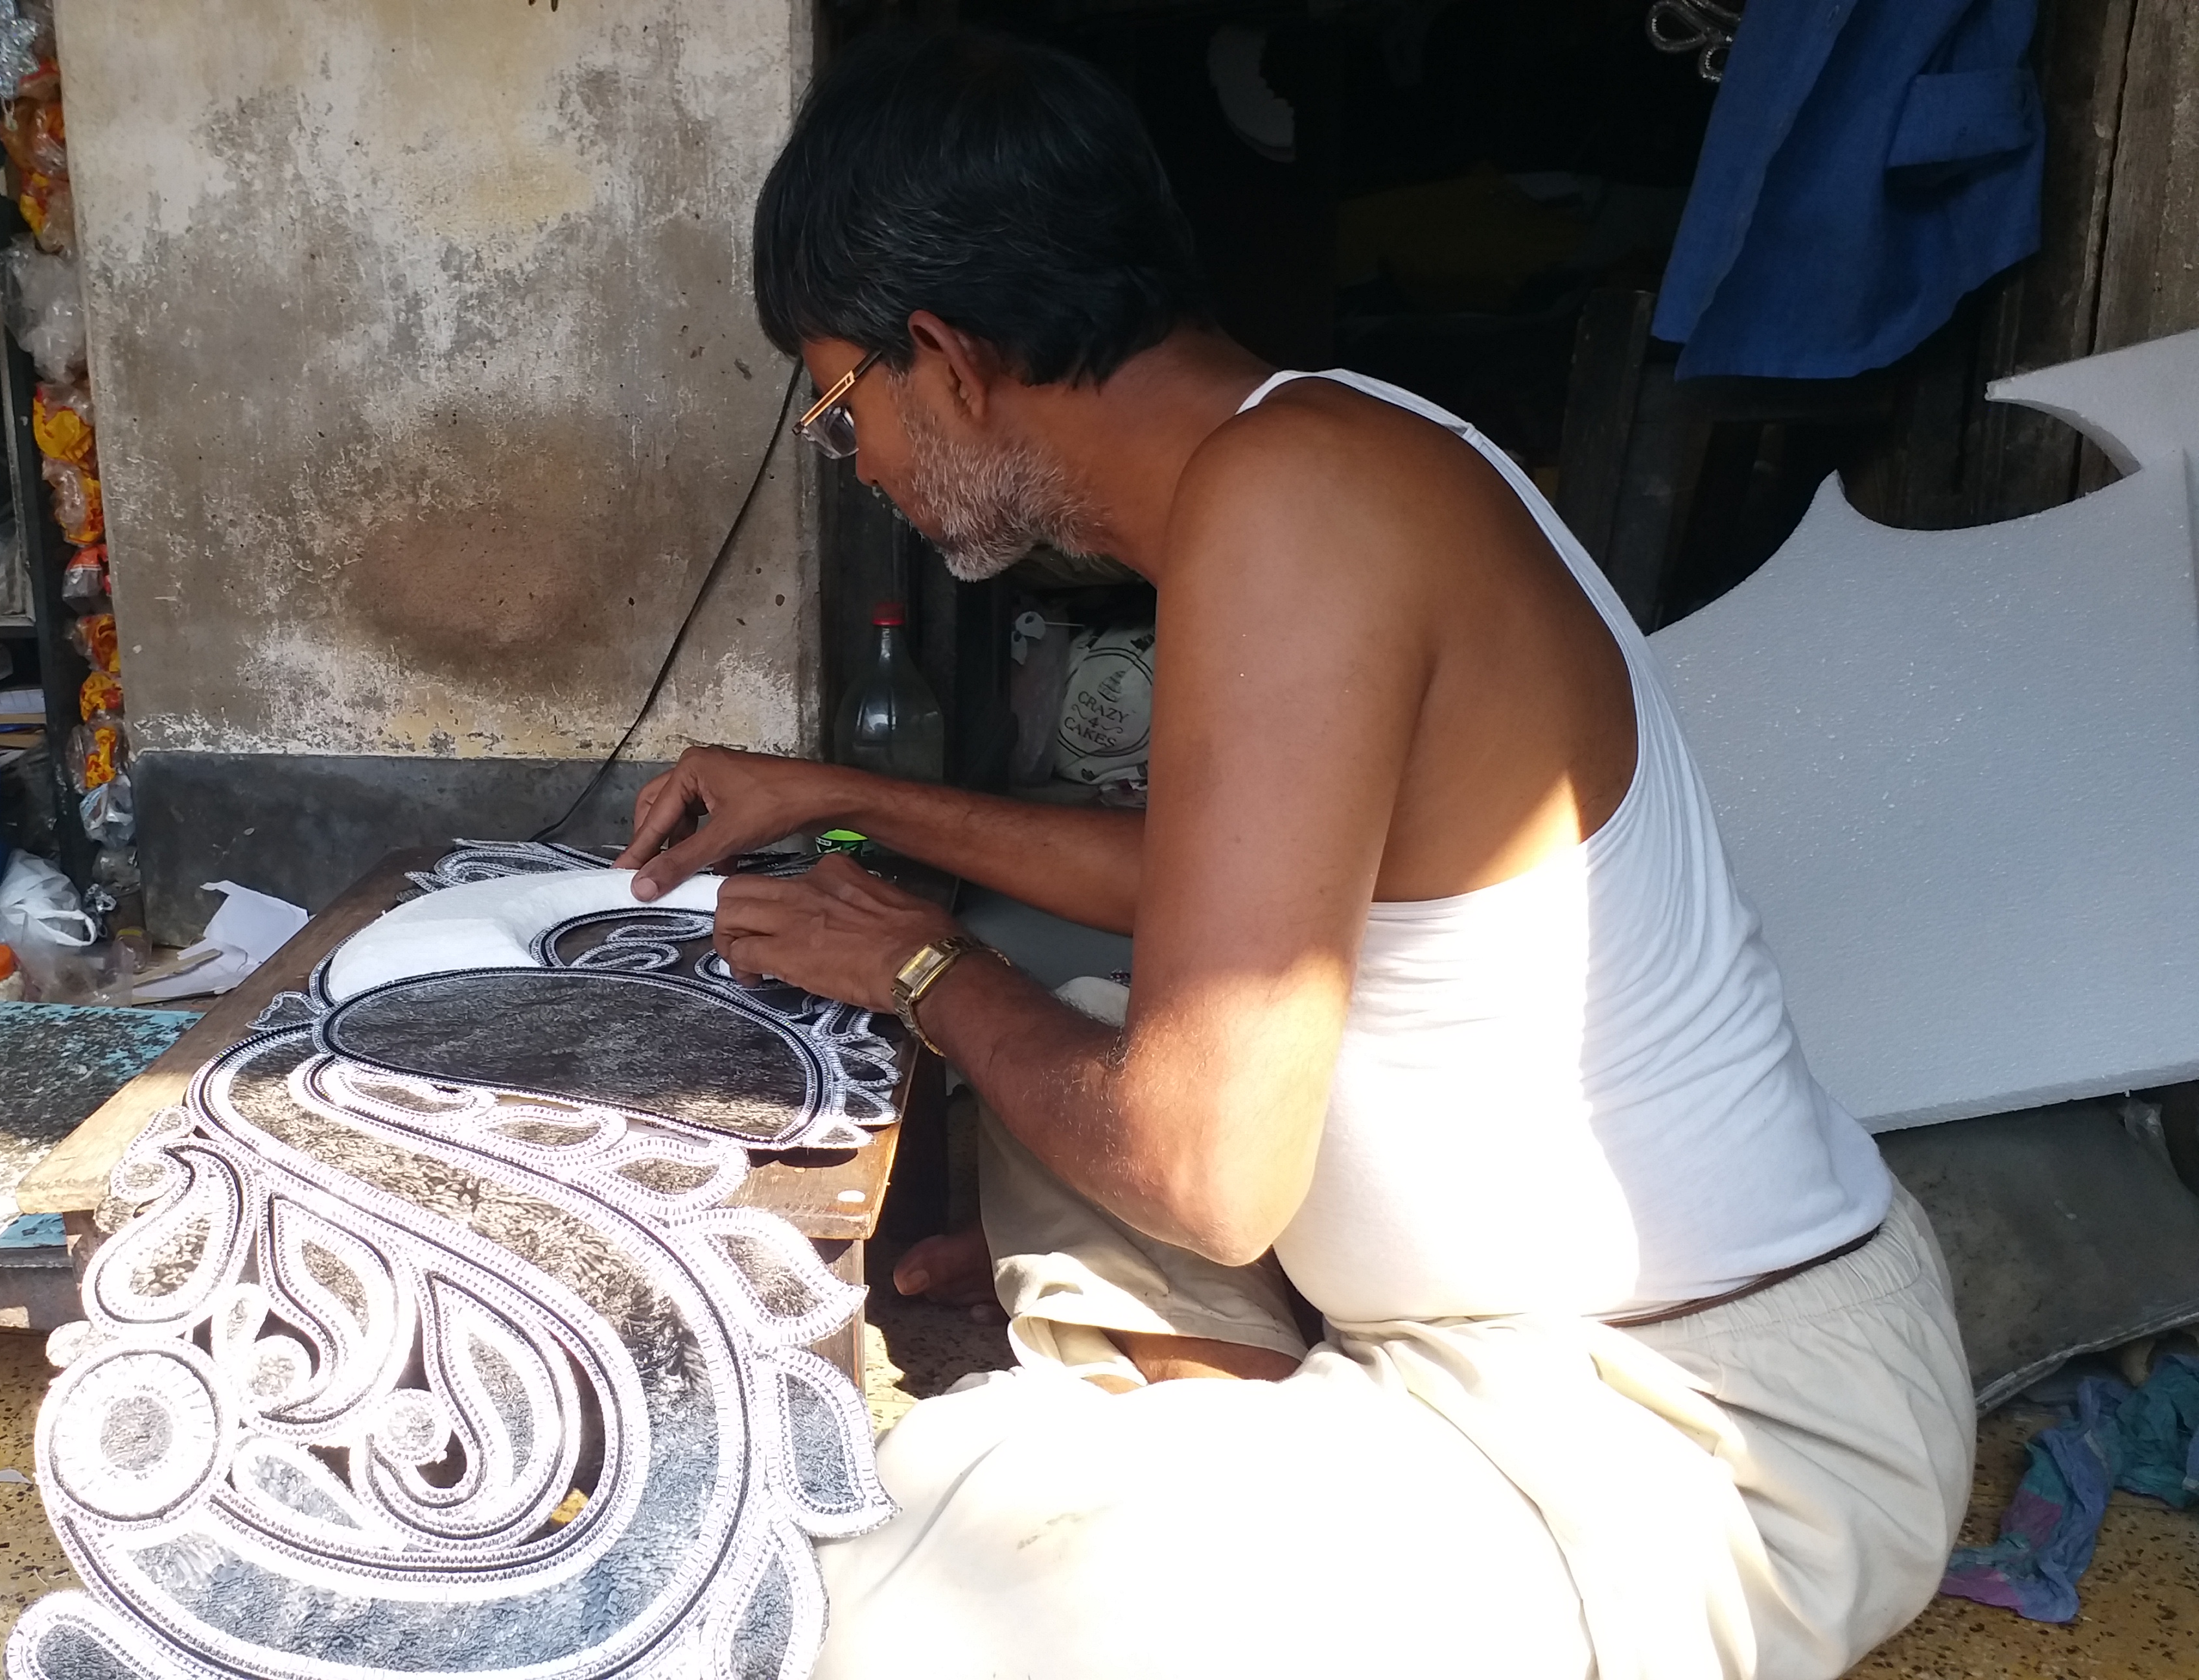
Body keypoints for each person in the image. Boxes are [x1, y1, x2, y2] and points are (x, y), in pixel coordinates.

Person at [616, 27, 1972, 1680]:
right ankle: (1266, 1463)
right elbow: (1222, 895)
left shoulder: (1291, 505)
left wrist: (917, 969)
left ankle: (1278, 1500)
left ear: (945, 356)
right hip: (1559, 1357)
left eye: (843, 409)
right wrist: (852, 797)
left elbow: (1205, 1169)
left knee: (861, 1578)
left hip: (1699, 1442)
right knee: (1097, 1038)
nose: (871, 467)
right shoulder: (1329, 445)